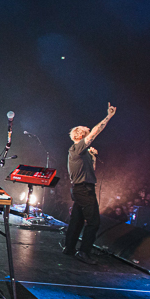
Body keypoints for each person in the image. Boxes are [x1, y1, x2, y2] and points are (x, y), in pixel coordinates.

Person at [62, 103, 117, 265]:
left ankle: (69, 248)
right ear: (80, 135)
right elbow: (95, 132)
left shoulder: (81, 152)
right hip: (84, 190)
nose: (88, 130)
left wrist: (92, 157)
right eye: (85, 130)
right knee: (93, 222)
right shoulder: (78, 147)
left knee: (77, 220)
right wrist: (108, 116)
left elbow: (91, 171)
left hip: (82, 188)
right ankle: (83, 252)